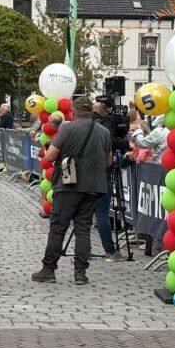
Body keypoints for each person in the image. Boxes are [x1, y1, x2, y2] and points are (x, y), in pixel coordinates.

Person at [32, 96, 112, 285]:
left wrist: (47, 150)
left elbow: (51, 156)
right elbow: (108, 162)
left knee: (58, 228)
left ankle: (49, 269)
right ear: (90, 112)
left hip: (68, 185)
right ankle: (80, 272)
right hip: (93, 187)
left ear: (74, 111)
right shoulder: (103, 131)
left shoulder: (67, 128)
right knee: (83, 229)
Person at [91, 102, 124, 261]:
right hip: (102, 175)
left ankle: (83, 250)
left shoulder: (74, 127)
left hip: (82, 178)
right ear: (104, 112)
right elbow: (109, 161)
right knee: (102, 213)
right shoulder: (104, 129)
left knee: (83, 216)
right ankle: (110, 250)